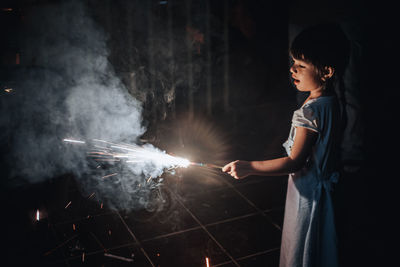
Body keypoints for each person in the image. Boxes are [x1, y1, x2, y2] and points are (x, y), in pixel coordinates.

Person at [223, 24, 350, 267]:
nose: (293, 69)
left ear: (327, 71)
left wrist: (249, 167)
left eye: (301, 65)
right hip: (324, 193)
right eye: (293, 62)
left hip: (308, 195)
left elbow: (295, 162)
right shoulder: (331, 102)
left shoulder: (310, 112)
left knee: (304, 248)